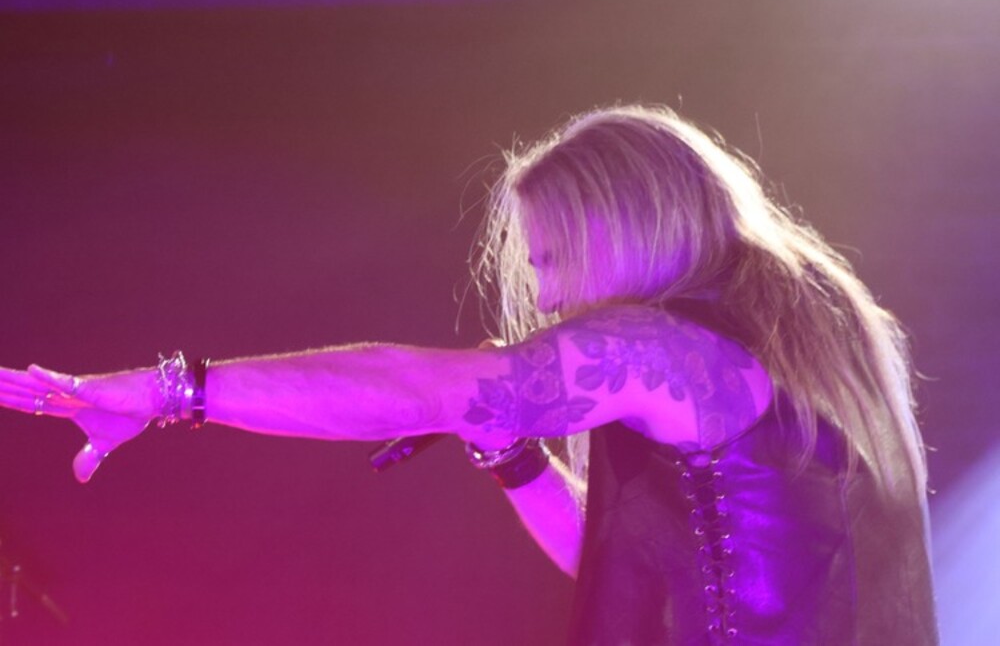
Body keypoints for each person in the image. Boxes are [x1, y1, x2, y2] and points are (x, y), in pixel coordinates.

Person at [0, 105, 937, 645]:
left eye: (554, 259)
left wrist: (166, 390)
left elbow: (412, 385)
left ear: (623, 228)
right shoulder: (796, 336)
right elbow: (621, 560)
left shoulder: (673, 350)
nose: (549, 294)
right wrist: (510, 451)